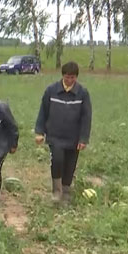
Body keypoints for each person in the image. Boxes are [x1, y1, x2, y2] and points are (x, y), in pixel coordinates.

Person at [34, 61, 92, 204]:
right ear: (62, 76)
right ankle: (56, 191)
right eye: (67, 77)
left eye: (72, 78)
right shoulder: (51, 91)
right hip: (55, 136)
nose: (69, 80)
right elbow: (43, 112)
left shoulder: (82, 93)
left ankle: (66, 191)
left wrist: (83, 138)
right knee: (58, 160)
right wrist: (39, 131)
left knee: (70, 164)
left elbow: (86, 117)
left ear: (76, 78)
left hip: (74, 137)